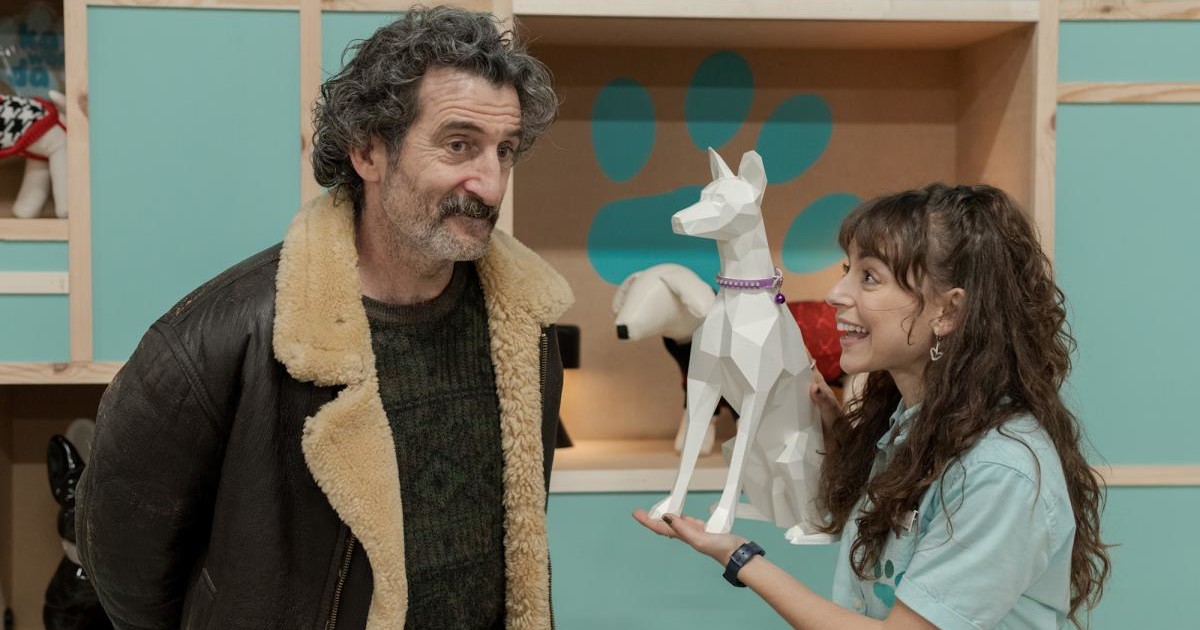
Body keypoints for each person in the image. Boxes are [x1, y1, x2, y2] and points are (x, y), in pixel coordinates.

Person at [75, 6, 571, 629]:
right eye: (458, 145)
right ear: (368, 151)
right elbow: (123, 565)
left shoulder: (525, 325)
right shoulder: (219, 338)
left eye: (505, 151)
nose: (492, 185)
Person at [635, 183, 1110, 629]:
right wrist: (838, 433)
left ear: (948, 311)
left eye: (869, 277)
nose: (835, 294)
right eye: (847, 270)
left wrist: (739, 558)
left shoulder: (999, 471)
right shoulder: (910, 425)